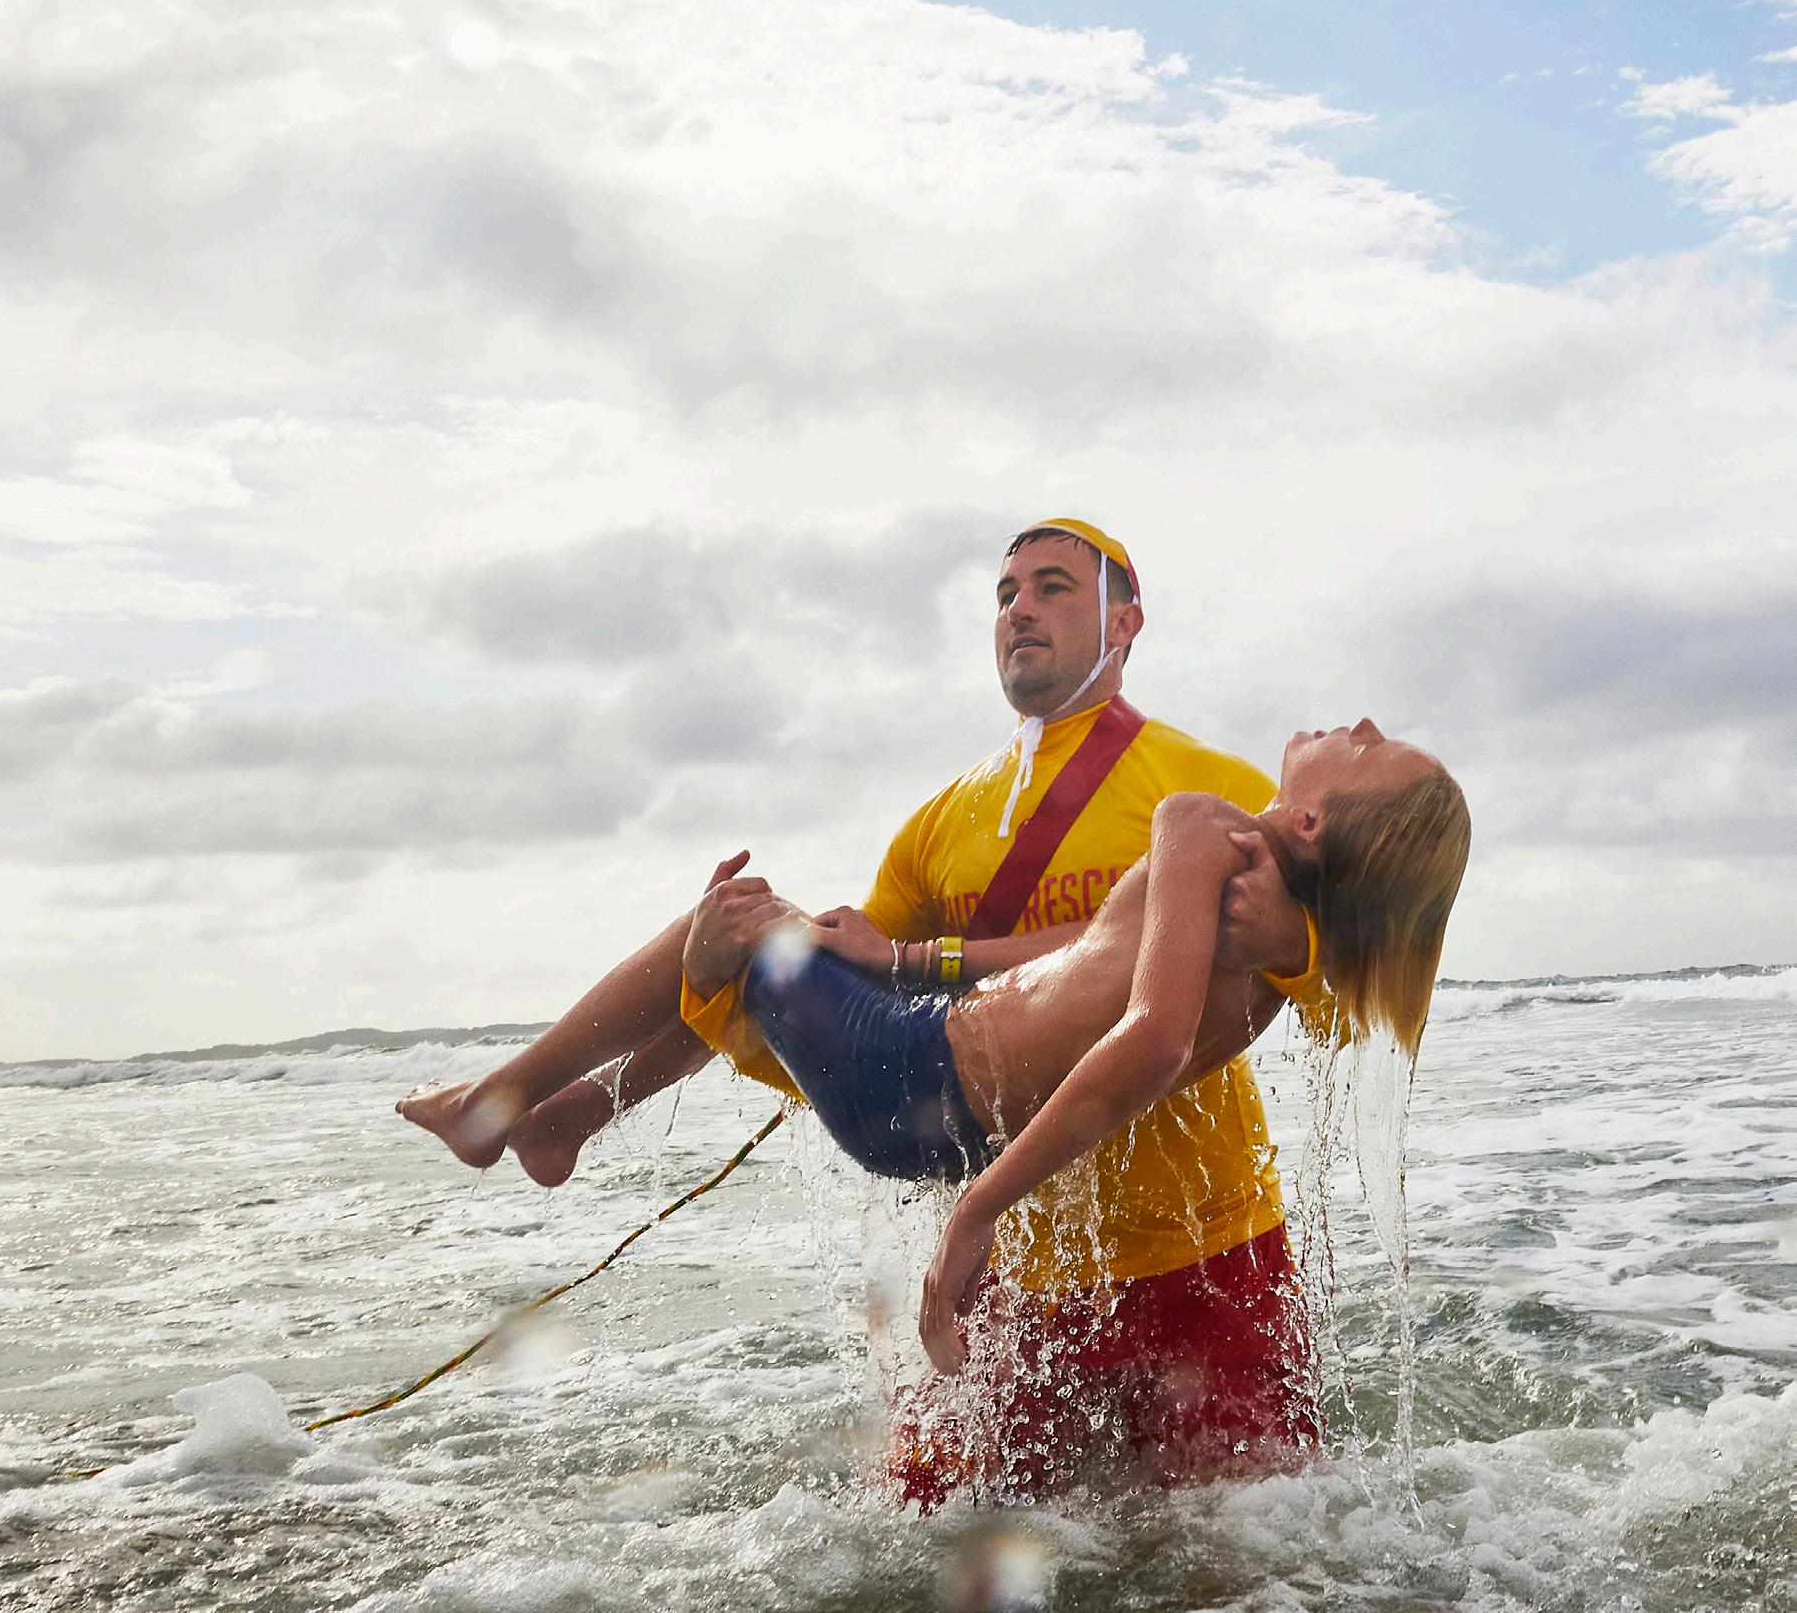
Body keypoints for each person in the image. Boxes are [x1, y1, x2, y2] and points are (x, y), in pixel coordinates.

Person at [398, 520, 1366, 1495]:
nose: (1019, 607)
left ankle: (530, 1106)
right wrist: (701, 988)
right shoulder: (938, 824)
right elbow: (864, 1021)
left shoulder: (1212, 788)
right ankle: (562, 1109)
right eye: (1003, 592)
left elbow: (1325, 991)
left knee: (1253, 1548)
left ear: (1126, 620)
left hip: (1203, 1249)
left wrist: (919, 953)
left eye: (1053, 586)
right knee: (934, 1535)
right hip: (1009, 1265)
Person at [683, 717, 1470, 1378]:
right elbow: (1093, 947)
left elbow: (1172, 1038)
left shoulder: (1200, 808)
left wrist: (977, 1206)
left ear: (1309, 824)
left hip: (926, 1092)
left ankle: (579, 1089)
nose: (1361, 726)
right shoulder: (1291, 948)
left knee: (737, 919)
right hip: (983, 1152)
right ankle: (566, 1112)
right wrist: (910, 959)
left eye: (1369, 749)